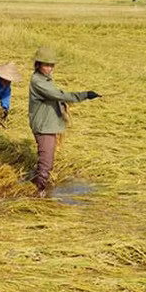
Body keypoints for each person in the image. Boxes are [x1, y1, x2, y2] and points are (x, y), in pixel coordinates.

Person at [28, 47, 100, 197]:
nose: (49, 68)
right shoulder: (38, 81)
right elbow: (57, 95)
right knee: (47, 161)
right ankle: (39, 192)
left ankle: (35, 184)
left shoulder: (45, 79)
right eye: (46, 65)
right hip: (44, 126)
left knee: (46, 157)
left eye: (51, 65)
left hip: (48, 124)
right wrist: (84, 95)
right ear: (38, 64)